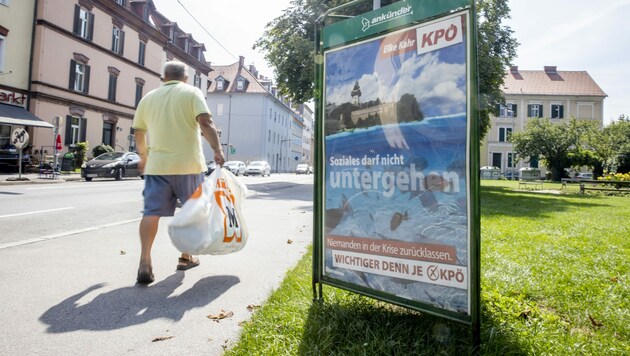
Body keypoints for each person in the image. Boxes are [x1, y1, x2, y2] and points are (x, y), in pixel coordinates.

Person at [132, 61, 225, 284]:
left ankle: (145, 260)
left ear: (164, 77)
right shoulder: (192, 92)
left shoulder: (148, 98)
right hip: (188, 165)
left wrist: (144, 157)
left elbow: (139, 132)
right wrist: (217, 150)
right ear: (185, 78)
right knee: (191, 212)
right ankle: (185, 256)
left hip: (157, 167)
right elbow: (205, 121)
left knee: (150, 213)